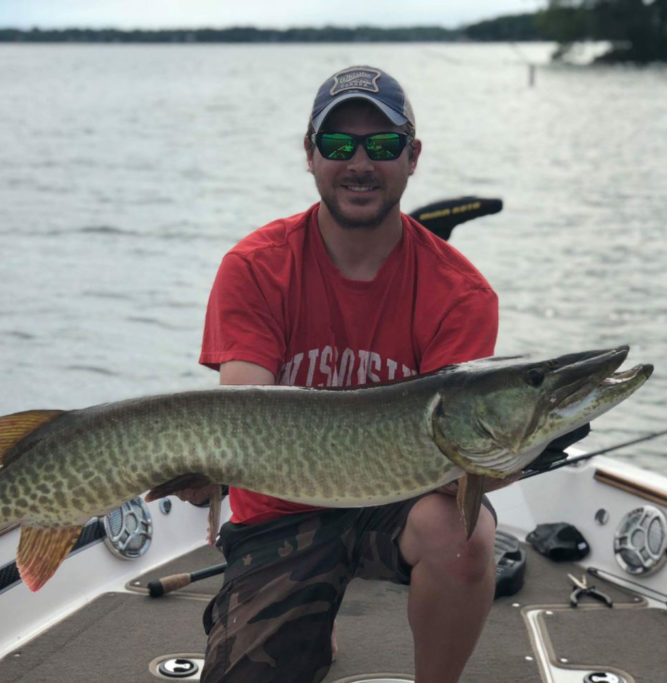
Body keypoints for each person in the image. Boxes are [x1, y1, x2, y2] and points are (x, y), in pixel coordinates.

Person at [194, 65, 506, 683]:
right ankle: (307, 613)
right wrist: (199, 466)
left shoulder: (461, 292)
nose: (360, 162)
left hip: (396, 504)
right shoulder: (257, 267)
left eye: (382, 145)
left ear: (412, 157)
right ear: (310, 155)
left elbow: (456, 453)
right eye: (338, 145)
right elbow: (244, 419)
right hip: (279, 512)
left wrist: (500, 458)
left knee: (463, 536)